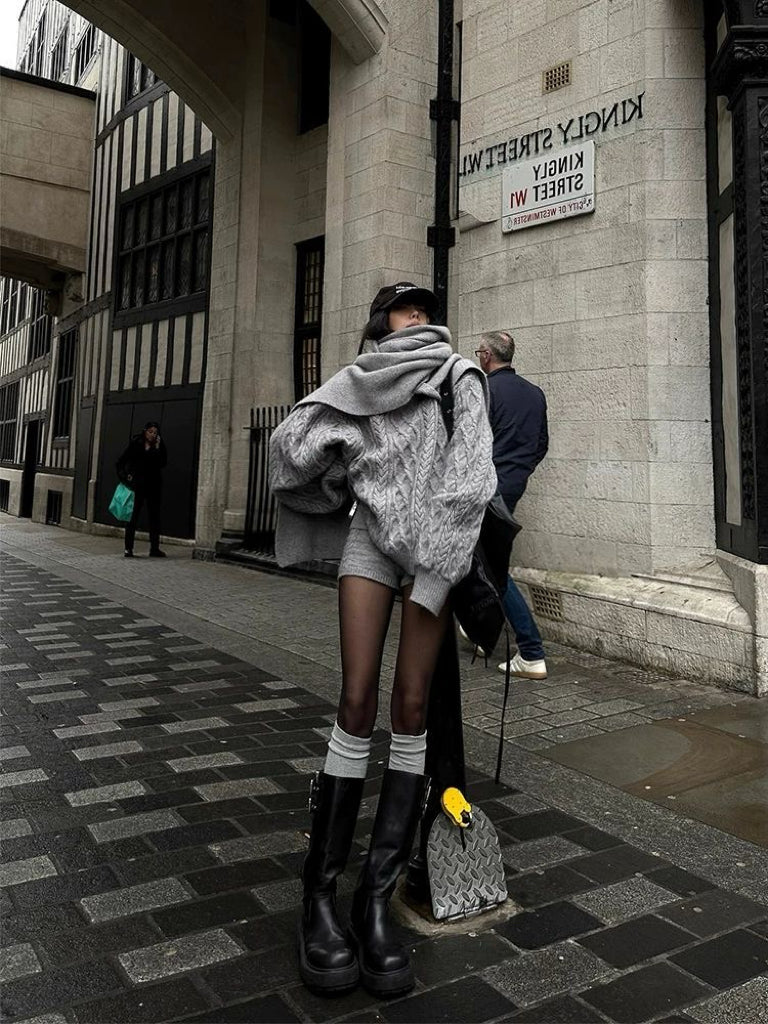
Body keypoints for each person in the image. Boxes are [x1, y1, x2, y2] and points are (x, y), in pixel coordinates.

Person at [269, 282, 496, 997]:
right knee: (356, 701)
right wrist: (339, 471)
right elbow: (288, 450)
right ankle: (320, 896)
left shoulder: (458, 375)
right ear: (380, 321)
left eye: (425, 306)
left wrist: (435, 572)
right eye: (403, 307)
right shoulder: (359, 379)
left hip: (431, 551)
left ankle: (374, 898)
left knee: (411, 706)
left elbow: (472, 482)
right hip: (369, 540)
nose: (418, 315)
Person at [474, 330, 549, 679]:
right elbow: (540, 445)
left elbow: (469, 443)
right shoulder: (535, 394)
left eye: (479, 352)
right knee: (476, 558)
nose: (478, 358)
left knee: (493, 569)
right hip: (513, 485)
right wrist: (519, 472)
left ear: (487, 356)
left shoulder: (484, 390)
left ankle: (531, 651)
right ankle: (478, 629)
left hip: (486, 486)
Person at [116, 421, 167, 558]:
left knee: (154, 517)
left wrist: (157, 448)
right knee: (132, 517)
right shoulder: (136, 444)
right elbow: (120, 462)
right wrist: (126, 478)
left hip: (153, 487)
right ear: (145, 431)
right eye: (150, 431)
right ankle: (128, 548)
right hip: (137, 486)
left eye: (155, 432)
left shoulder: (159, 446)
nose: (152, 434)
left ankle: (154, 548)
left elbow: (163, 463)